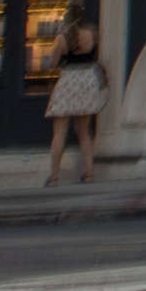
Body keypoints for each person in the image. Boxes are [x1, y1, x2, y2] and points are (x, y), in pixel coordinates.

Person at [41, 15, 105, 187]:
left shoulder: (62, 38)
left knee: (59, 132)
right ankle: (89, 173)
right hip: (86, 81)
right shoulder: (92, 35)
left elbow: (53, 64)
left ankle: (54, 177)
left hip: (68, 81)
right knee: (84, 132)